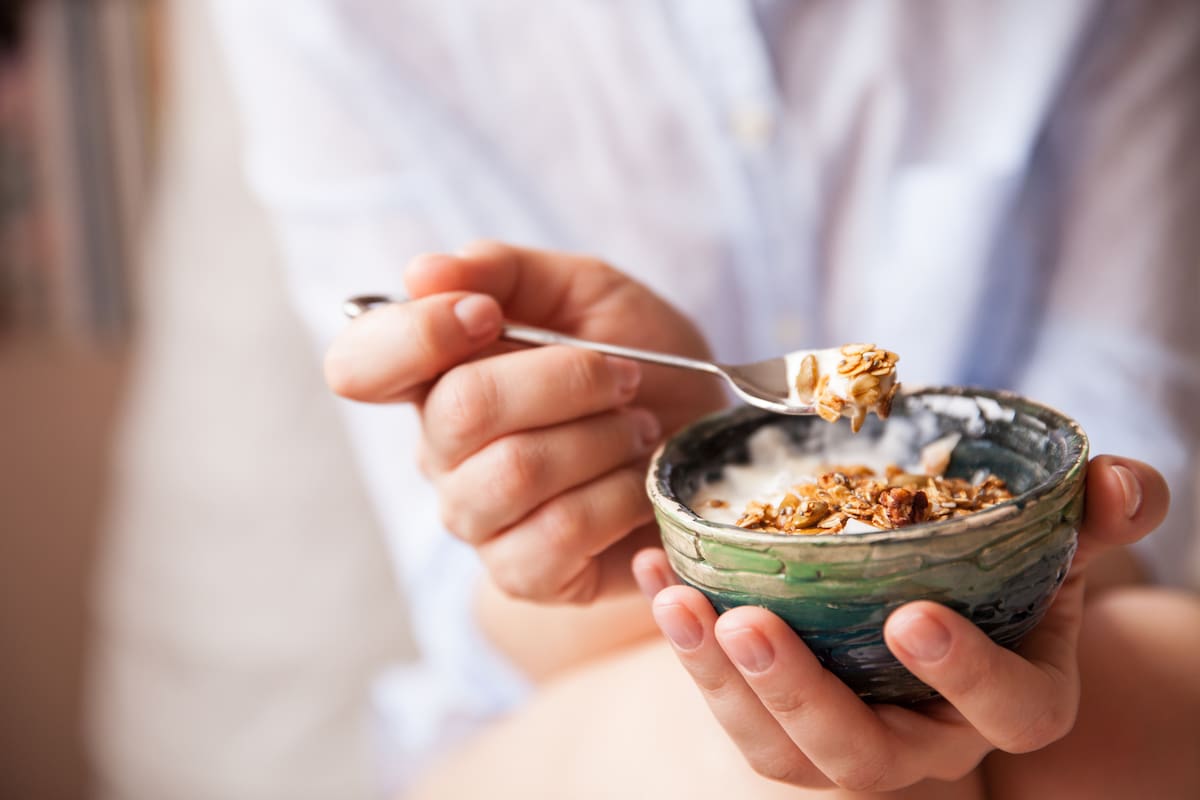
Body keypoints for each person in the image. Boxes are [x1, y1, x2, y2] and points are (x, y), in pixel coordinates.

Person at [209, 1, 1200, 796]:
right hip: (584, 676)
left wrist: (948, 584)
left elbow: (1125, 484)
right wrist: (653, 498)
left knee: (1138, 684)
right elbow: (482, 608)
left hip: (1059, 610)